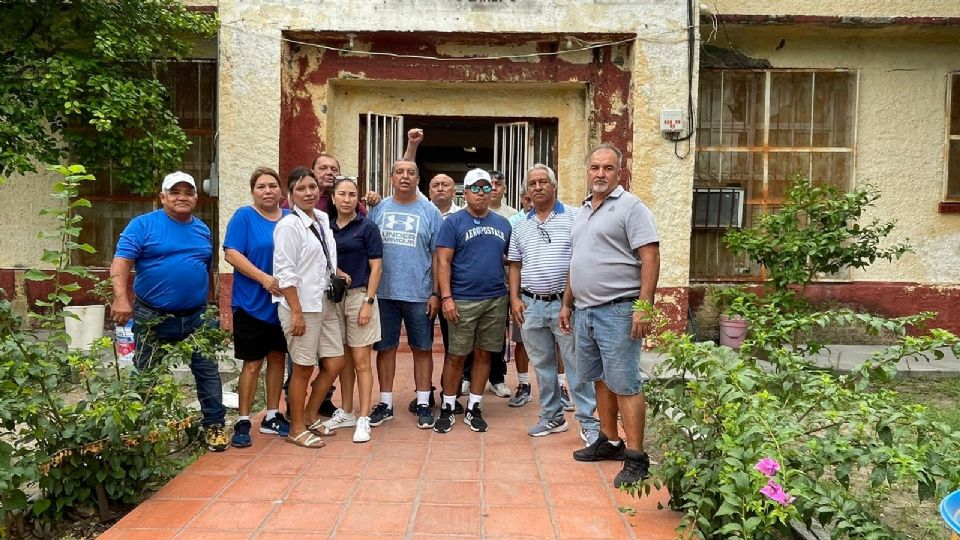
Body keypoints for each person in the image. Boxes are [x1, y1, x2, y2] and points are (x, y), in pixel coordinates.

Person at [560, 144, 661, 487]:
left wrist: (644, 307)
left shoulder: (631, 208)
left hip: (618, 310)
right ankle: (609, 440)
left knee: (626, 383)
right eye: (594, 168)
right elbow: (578, 261)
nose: (600, 174)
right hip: (586, 311)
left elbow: (650, 256)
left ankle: (636, 457)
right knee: (600, 377)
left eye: (608, 168)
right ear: (587, 171)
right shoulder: (584, 211)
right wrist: (567, 303)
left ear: (620, 172)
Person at [110, 171, 227, 452]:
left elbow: (204, 269)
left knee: (208, 371)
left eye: (188, 192)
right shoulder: (142, 226)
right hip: (153, 316)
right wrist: (121, 299)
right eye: (175, 192)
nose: (182, 197)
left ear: (196, 198)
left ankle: (214, 425)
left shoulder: (202, 229)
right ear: (162, 197)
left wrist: (212, 306)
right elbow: (121, 263)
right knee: (147, 373)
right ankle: (142, 433)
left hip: (197, 315)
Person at [508, 164, 600, 441]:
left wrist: (567, 304)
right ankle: (552, 417)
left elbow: (578, 261)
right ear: (527, 190)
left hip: (565, 305)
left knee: (576, 365)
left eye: (543, 182)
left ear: (554, 186)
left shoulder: (574, 217)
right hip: (531, 305)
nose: (537, 187)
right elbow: (515, 264)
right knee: (543, 365)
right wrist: (514, 299)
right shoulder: (521, 224)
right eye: (532, 183)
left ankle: (589, 423)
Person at [273, 167, 346, 448]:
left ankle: (311, 414)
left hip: (323, 301)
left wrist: (336, 272)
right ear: (290, 194)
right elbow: (285, 271)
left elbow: (320, 258)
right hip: (300, 305)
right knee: (302, 368)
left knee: (336, 361)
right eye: (301, 188)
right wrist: (297, 312)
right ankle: (296, 427)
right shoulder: (288, 226)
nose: (308, 193)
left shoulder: (323, 218)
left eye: (312, 187)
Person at [434, 169, 512, 433]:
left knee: (484, 354)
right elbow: (443, 261)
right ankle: (447, 405)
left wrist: (512, 297)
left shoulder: (503, 224)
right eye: (475, 188)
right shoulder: (453, 222)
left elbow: (509, 262)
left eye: (486, 188)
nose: (481, 193)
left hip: (495, 299)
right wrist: (446, 297)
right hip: (462, 299)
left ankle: (474, 406)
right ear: (464, 192)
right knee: (456, 355)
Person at [366, 160, 443, 429]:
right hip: (383, 293)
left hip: (419, 293)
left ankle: (423, 402)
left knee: (422, 349)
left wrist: (435, 292)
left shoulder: (430, 211)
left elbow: (436, 255)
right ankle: (385, 403)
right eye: (400, 172)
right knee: (385, 349)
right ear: (391, 178)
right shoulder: (378, 209)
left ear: (419, 179)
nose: (405, 176)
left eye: (411, 172)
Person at [223, 167, 290, 448]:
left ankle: (272, 415)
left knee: (277, 359)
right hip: (251, 303)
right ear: (253, 191)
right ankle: (243, 419)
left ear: (281, 191)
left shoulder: (291, 218)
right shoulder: (244, 217)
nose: (267, 191)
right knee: (252, 363)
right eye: (261, 186)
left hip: (284, 304)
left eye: (272, 186)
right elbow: (231, 253)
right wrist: (263, 278)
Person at [319, 176, 384, 443]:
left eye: (352, 195)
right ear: (333, 198)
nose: (347, 199)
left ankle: (364, 417)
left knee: (360, 361)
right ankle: (346, 411)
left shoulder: (367, 227)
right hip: (333, 300)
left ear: (358, 199)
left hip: (359, 297)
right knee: (342, 359)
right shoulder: (325, 227)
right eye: (342, 194)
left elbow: (376, 267)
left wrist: (369, 301)